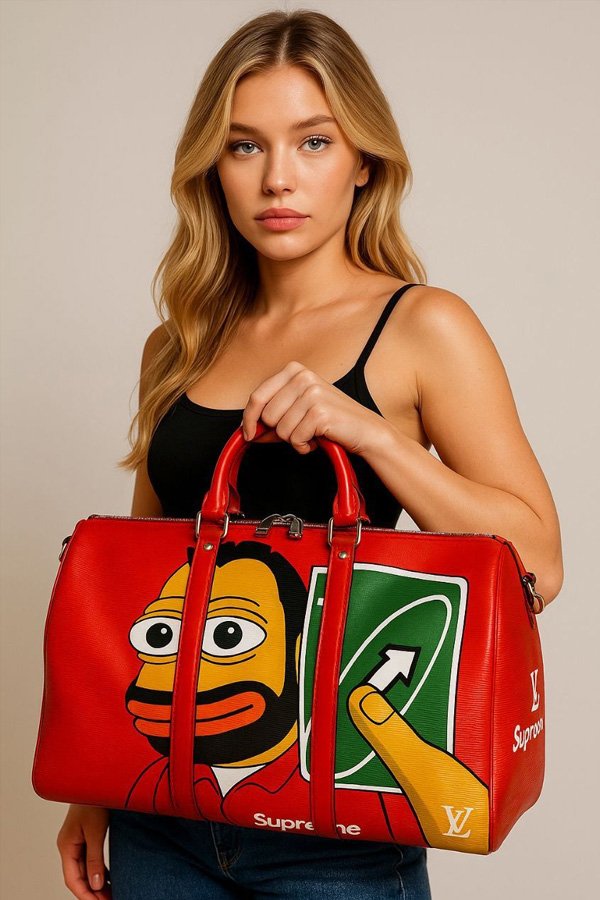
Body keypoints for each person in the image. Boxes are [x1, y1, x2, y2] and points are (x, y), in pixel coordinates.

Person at [55, 8, 563, 899]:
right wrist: (95, 784)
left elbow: (540, 567)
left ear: (364, 161)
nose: (278, 178)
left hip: (337, 829)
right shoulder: (178, 345)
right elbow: (148, 576)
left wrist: (370, 434)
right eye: (244, 146)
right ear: (212, 166)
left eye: (314, 141)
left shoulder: (423, 325)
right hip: (162, 811)